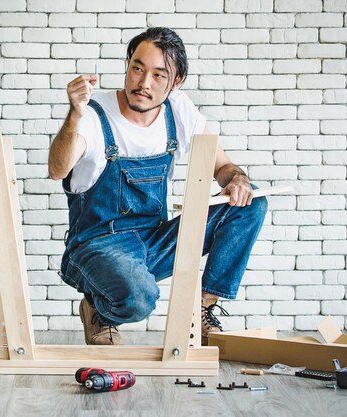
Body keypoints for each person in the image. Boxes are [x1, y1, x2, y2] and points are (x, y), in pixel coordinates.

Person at [48, 27, 268, 345]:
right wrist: (73, 115)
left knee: (252, 202)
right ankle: (97, 308)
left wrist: (237, 180)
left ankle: (202, 309)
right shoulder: (94, 115)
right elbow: (57, 169)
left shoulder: (178, 110)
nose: (144, 83)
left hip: (154, 241)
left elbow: (223, 167)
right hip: (98, 248)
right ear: (128, 63)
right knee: (139, 299)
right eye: (138, 68)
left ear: (175, 82)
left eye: (158, 75)